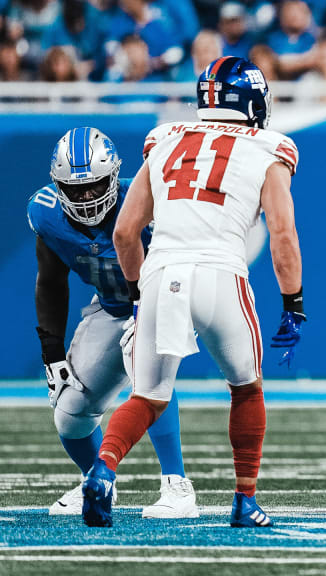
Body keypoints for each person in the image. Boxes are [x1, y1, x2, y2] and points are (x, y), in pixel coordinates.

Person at [80, 56, 304, 528]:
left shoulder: (164, 140)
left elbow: (125, 233)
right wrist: (293, 302)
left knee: (149, 395)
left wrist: (141, 296)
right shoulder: (270, 147)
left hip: (162, 270)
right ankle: (245, 500)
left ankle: (103, 470)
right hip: (222, 273)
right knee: (246, 388)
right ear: (252, 100)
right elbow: (282, 234)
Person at [29, 127, 196, 519]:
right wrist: (52, 353)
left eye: (95, 186)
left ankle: (177, 485)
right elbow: (50, 282)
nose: (87, 197)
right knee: (69, 412)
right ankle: (97, 481)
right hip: (111, 306)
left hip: (164, 299)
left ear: (114, 176)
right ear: (58, 185)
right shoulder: (46, 213)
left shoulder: (146, 198)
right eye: (76, 189)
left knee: (148, 373)